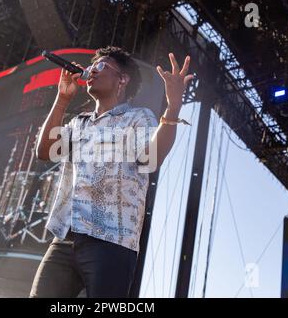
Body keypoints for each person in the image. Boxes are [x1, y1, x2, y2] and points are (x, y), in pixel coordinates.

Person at [30, 46, 194, 298]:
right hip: (65, 238)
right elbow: (45, 151)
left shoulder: (138, 118)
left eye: (101, 66)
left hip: (111, 241)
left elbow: (151, 159)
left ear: (122, 79)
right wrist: (62, 99)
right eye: (91, 67)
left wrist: (172, 108)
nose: (91, 71)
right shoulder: (79, 122)